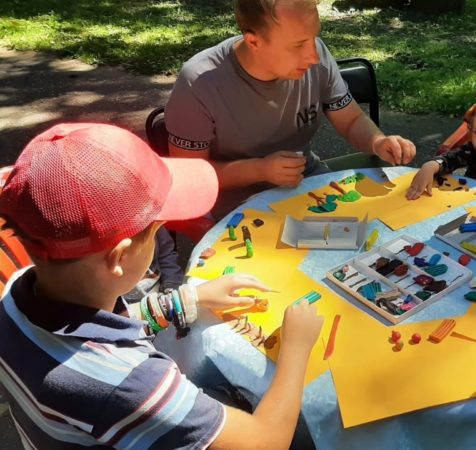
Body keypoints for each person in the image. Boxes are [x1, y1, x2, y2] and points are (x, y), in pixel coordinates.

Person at [0, 123, 324, 449]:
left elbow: (105, 326)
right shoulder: (130, 382)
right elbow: (266, 442)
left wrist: (190, 298)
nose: (159, 240)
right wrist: (296, 348)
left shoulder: (14, 299)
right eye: (157, 234)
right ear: (121, 256)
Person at [165, 0, 416, 218]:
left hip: (310, 186)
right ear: (254, 41)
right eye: (297, 45)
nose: (314, 57)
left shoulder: (314, 55)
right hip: (237, 208)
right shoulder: (199, 81)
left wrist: (378, 142)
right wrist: (259, 170)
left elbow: (350, 121)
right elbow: (189, 176)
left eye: (314, 38)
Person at [122, 227, 183, 302]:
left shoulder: (156, 226)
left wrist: (171, 285)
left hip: (159, 290)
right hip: (125, 303)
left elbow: (166, 256)